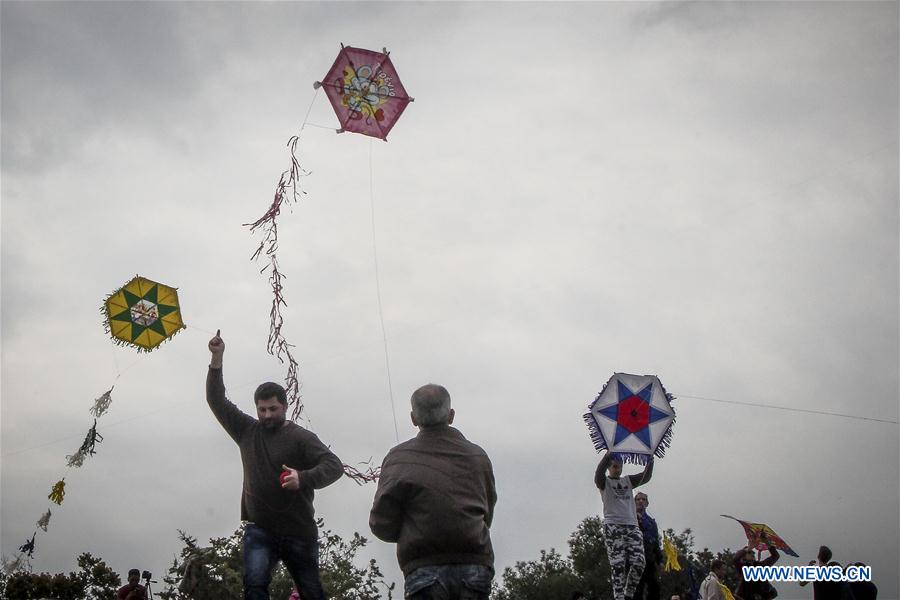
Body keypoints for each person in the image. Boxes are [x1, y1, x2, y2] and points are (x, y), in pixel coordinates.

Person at [207, 330, 343, 600]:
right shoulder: (246, 430)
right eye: (262, 409)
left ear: (284, 407)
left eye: (273, 409)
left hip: (299, 530)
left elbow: (334, 466)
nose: (267, 415)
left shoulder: (301, 437)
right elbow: (216, 400)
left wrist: (302, 478)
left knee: (312, 592)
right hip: (260, 528)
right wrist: (217, 358)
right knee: (255, 586)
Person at [369, 384, 497, 600]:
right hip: (475, 564)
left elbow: (381, 523)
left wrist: (408, 532)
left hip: (423, 567)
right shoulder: (478, 457)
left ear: (413, 418)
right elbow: (488, 510)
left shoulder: (398, 458)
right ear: (451, 415)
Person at [594, 452, 654, 600]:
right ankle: (619, 596)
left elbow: (645, 477)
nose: (617, 470)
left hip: (631, 526)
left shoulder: (627, 481)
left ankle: (628, 593)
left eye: (620, 467)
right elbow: (598, 474)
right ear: (609, 468)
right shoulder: (604, 482)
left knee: (639, 562)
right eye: (614, 467)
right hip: (613, 525)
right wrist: (608, 455)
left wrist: (650, 461)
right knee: (618, 564)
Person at [633, 491, 662, 600]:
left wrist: (660, 560)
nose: (641, 501)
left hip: (649, 560)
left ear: (647, 503)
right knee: (636, 590)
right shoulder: (630, 519)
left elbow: (655, 543)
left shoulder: (651, 522)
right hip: (634, 560)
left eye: (643, 499)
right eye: (638, 499)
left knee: (655, 587)